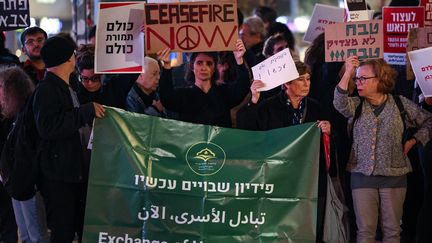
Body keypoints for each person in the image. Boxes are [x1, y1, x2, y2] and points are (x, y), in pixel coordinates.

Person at [333, 56, 432, 243]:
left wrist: (415, 140)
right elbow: (339, 102)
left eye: (363, 78)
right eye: (357, 78)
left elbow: (429, 121)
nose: (358, 83)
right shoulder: (356, 105)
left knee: (392, 231)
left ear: (379, 79)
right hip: (361, 174)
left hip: (394, 176)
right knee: (365, 231)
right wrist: (348, 72)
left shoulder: (401, 105)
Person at [236, 61, 331, 243]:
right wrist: (254, 99)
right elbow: (247, 131)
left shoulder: (316, 107)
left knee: (309, 227)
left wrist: (329, 131)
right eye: (300, 80)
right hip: (278, 179)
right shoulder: (267, 107)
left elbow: (331, 143)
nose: (306, 84)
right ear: (286, 83)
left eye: (308, 79)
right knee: (278, 227)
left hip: (309, 180)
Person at [33, 36, 105, 242]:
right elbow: (47, 128)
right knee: (62, 232)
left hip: (72, 172)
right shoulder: (47, 90)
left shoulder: (66, 85)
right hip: (58, 176)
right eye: (72, 54)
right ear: (68, 59)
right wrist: (83, 112)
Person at [0, 66, 49, 243]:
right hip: (17, 184)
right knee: (27, 234)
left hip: (27, 185)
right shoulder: (16, 114)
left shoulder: (27, 114)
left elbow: (27, 153)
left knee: (36, 235)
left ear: (11, 89)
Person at [158, 39, 250, 127]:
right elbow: (166, 97)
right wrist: (166, 66)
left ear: (214, 69)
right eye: (199, 63)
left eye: (209, 64)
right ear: (192, 67)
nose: (204, 68)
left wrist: (239, 59)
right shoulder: (184, 96)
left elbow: (243, 87)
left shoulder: (223, 93)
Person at [75, 44, 135, 109]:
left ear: (103, 74)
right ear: (80, 75)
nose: (90, 83)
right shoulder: (75, 93)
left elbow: (136, 62)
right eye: (85, 78)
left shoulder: (116, 85)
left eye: (95, 78)